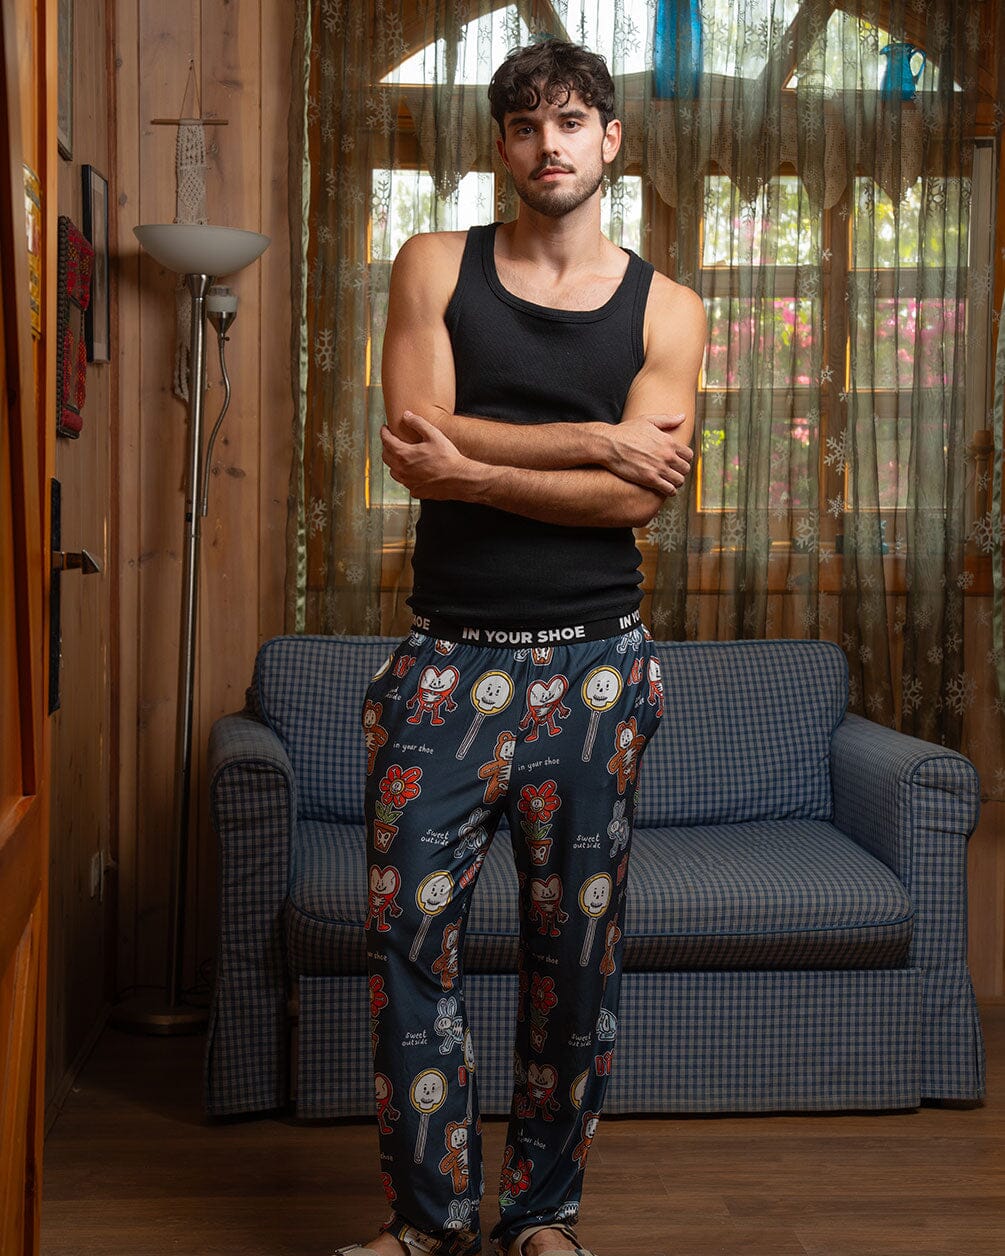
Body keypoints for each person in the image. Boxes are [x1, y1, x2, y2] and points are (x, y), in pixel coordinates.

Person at [334, 39, 706, 1256]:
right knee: (405, 938)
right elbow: (417, 437)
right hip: (445, 664)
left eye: (573, 120)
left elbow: (637, 499)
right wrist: (598, 439)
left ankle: (542, 1217)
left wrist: (481, 464)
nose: (551, 142)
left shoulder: (670, 308)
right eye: (526, 123)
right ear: (501, 146)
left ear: (610, 141)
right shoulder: (434, 263)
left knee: (574, 960)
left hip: (598, 667)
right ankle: (427, 1222)